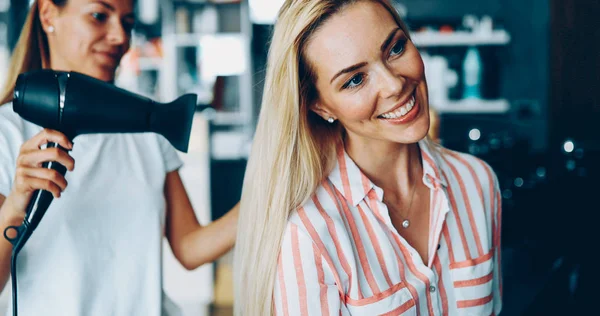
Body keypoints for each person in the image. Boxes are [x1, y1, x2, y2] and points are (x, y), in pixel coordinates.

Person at [234, 0, 502, 315]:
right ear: (321, 107)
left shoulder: (477, 181)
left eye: (396, 49)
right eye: (355, 80)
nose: (394, 84)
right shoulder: (309, 235)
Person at [0, 0, 239, 315]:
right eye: (99, 16)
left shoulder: (147, 124)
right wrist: (16, 205)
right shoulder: (8, 135)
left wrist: (275, 191)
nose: (119, 38)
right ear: (48, 15)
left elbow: (190, 247)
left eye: (127, 23)